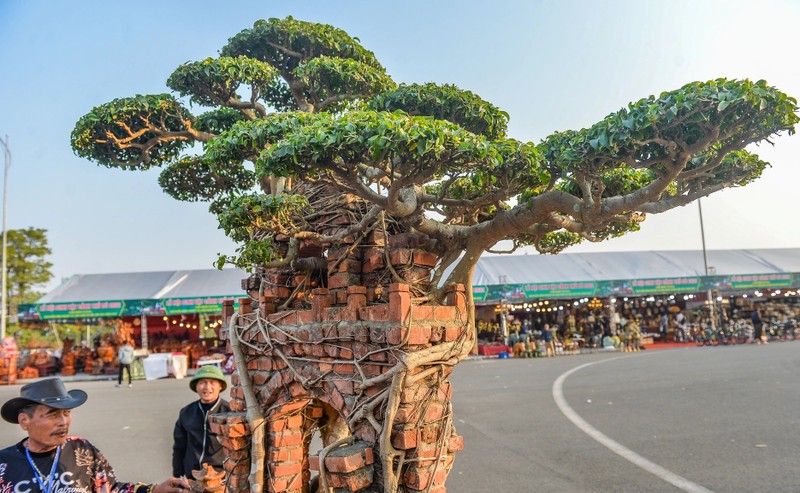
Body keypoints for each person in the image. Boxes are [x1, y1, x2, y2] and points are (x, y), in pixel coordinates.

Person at [0, 377, 189, 493]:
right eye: (53, 414)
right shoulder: (4, 464)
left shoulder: (82, 450)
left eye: (66, 413)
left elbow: (110, 488)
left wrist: (155, 490)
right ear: (25, 421)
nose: (63, 422)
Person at [172, 365, 230, 478]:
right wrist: (177, 475)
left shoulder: (229, 412)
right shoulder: (186, 412)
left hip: (221, 476)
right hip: (192, 476)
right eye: (202, 382)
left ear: (220, 386)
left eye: (213, 383)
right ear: (196, 387)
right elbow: (179, 447)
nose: (207, 387)